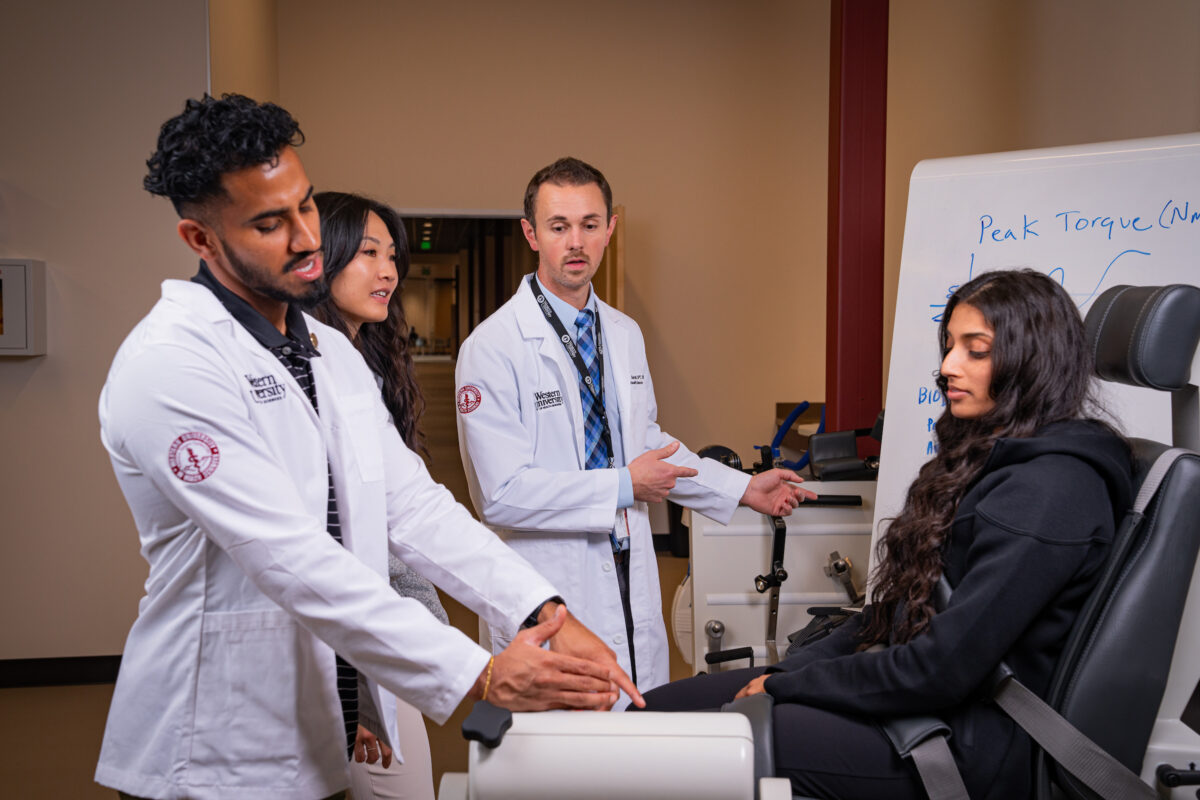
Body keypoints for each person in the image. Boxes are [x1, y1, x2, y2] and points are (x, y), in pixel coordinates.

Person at [95, 95, 640, 800]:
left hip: (316, 725)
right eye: (269, 223)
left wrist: (543, 610)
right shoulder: (170, 365)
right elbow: (290, 557)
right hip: (208, 749)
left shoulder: (325, 351)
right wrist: (478, 672)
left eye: (306, 207)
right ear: (200, 240)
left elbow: (412, 509)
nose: (305, 239)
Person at [640, 269, 1134, 799]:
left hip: (964, 744)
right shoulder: (1003, 460)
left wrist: (789, 686)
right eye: (949, 347)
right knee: (649, 715)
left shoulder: (1050, 492)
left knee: (683, 744)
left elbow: (941, 669)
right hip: (928, 709)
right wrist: (794, 670)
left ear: (1032, 360)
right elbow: (899, 614)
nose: (947, 367)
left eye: (976, 350)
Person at [454, 157, 813, 707]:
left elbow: (647, 447)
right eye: (559, 226)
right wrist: (624, 485)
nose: (576, 241)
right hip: (553, 583)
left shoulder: (622, 333)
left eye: (590, 224)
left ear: (609, 230)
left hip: (627, 567)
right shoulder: (492, 346)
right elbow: (501, 496)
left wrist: (743, 489)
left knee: (636, 745)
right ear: (531, 234)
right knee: (562, 769)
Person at [309, 191, 442, 800]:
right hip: (346, 653)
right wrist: (356, 688)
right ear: (322, 257)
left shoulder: (373, 360)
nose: (388, 271)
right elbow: (326, 546)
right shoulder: (304, 371)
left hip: (387, 638)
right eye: (367, 253)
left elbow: (409, 513)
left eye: (392, 255)